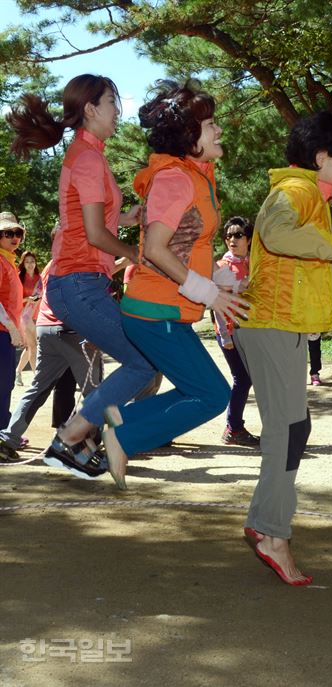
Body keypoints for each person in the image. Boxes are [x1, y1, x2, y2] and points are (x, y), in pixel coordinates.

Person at [233, 110, 332, 585]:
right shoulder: (299, 190)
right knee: (289, 432)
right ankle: (272, 533)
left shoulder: (307, 193)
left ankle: (264, 523)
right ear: (320, 158)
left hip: (273, 325)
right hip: (272, 324)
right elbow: (276, 233)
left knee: (290, 429)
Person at [6, 73, 157, 479]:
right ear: (90, 109)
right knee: (142, 361)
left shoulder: (89, 153)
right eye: (111, 101)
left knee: (140, 361)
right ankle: (72, 440)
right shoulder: (88, 158)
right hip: (78, 283)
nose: (118, 110)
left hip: (80, 282)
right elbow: (94, 234)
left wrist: (128, 217)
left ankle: (77, 439)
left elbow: (92, 220)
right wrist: (141, 256)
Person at [104, 79, 247, 489]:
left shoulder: (195, 175)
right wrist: (207, 292)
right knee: (212, 395)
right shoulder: (176, 179)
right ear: (189, 136)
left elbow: (189, 243)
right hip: (155, 310)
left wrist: (219, 279)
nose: (219, 130)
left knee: (194, 389)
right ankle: (122, 437)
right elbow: (155, 247)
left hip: (165, 310)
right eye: (210, 124)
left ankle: (114, 420)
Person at [0, 255, 103, 464]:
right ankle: (86, 447)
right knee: (96, 392)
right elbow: (89, 298)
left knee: (37, 389)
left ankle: (8, 440)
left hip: (46, 328)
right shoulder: (82, 260)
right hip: (73, 330)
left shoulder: (50, 264)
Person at [213, 216, 260, 446]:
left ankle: (235, 427)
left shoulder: (254, 262)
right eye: (228, 235)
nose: (232, 239)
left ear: (249, 239)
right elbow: (217, 303)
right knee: (242, 378)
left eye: (238, 234)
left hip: (251, 330)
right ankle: (233, 428)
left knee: (248, 378)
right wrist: (225, 335)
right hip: (231, 331)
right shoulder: (223, 266)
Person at [0, 212, 25, 430]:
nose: (14, 237)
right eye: (8, 233)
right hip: (1, 331)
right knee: (2, 383)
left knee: (5, 383)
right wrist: (10, 327)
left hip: (6, 332)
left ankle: (4, 430)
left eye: (18, 233)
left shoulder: (9, 261)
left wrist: (18, 329)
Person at [16, 250, 41, 385]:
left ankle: (18, 372)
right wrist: (28, 299)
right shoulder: (19, 277)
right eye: (27, 262)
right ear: (23, 263)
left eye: (32, 261)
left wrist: (38, 299)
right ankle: (37, 377)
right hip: (24, 316)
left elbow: (42, 296)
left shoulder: (39, 277)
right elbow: (15, 300)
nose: (30, 264)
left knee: (29, 348)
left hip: (37, 315)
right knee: (33, 346)